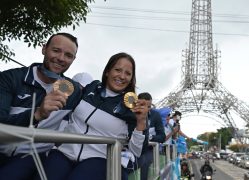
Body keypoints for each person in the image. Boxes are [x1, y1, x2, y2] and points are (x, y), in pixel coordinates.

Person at [37, 52, 149, 180]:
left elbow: (137, 152)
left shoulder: (132, 107)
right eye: (117, 70)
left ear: (131, 78)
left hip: (99, 159)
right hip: (64, 151)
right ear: (107, 71)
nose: (122, 76)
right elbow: (60, 86)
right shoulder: (91, 88)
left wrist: (141, 123)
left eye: (128, 73)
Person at [0, 32, 82, 179]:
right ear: (44, 49)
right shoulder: (10, 78)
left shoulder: (74, 90)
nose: (61, 58)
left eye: (68, 55)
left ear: (73, 60)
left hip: (33, 157)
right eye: (56, 50)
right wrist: (36, 114)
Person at [136, 92, 165, 180]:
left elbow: (162, 137)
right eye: (142, 105)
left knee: (144, 161)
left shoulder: (155, 115)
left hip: (147, 149)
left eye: (149, 107)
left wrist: (150, 137)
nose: (146, 109)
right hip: (131, 149)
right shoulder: (131, 112)